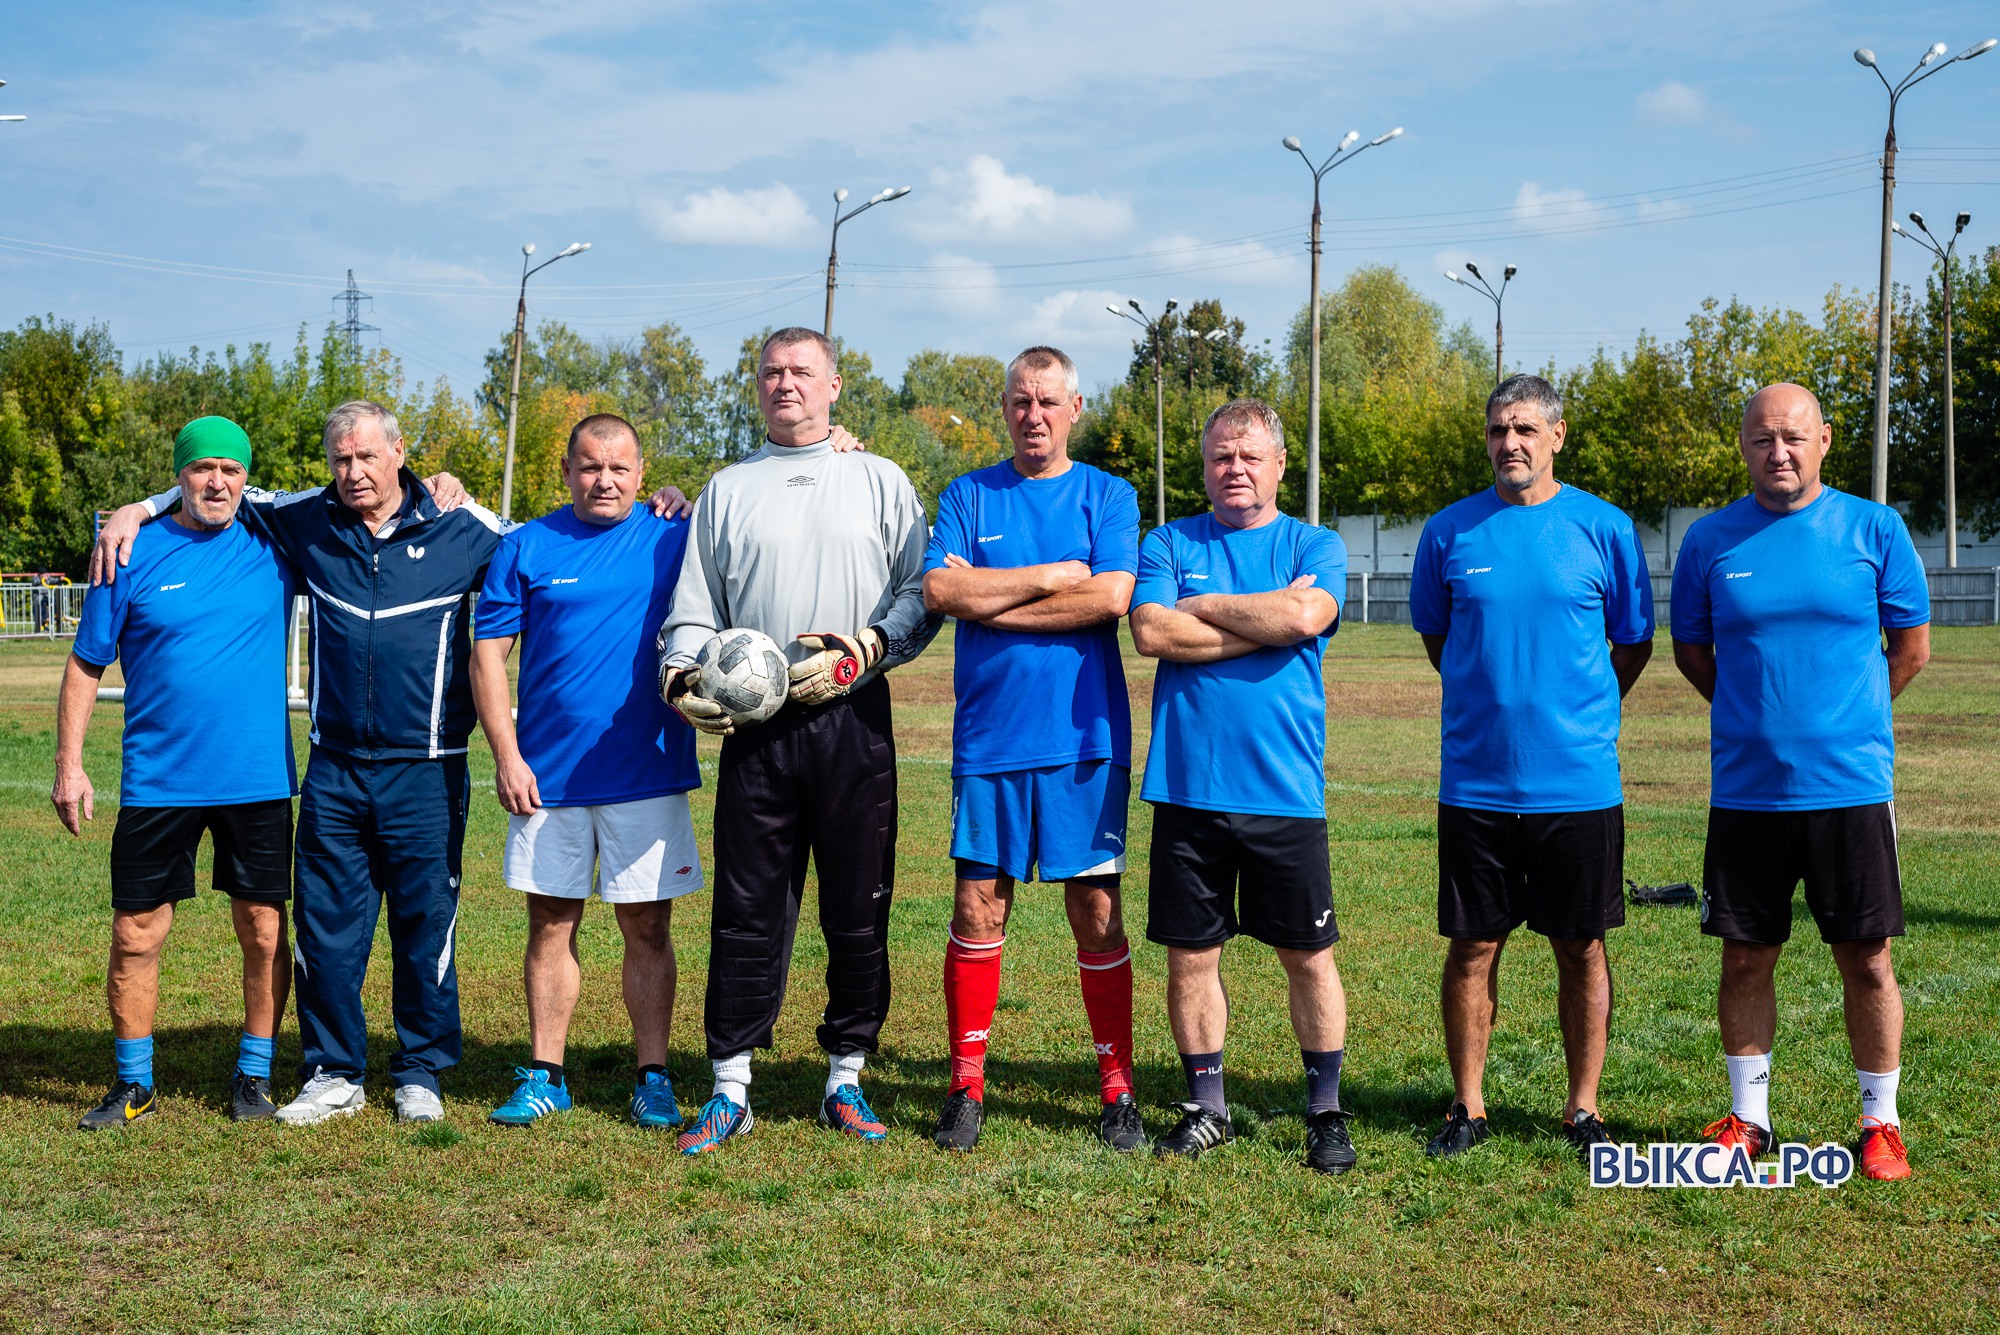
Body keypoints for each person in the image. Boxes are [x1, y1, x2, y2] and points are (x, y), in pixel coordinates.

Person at [93, 402, 692, 1125]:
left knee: (424, 924)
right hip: (336, 768)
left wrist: (670, 502)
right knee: (326, 928)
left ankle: (421, 1071)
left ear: (398, 453)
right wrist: (139, 506)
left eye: (368, 456)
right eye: (341, 459)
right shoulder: (305, 519)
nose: (354, 472)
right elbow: (220, 484)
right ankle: (332, 1070)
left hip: (429, 767)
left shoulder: (464, 525)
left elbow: (553, 536)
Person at [659, 327, 937, 1154]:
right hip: (756, 727)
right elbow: (694, 604)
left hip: (853, 718)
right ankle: (731, 1085)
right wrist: (681, 672)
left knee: (859, 906)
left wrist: (871, 646)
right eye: (772, 372)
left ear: (835, 385)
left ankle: (845, 1076)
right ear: (758, 387)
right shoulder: (727, 489)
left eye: (802, 372)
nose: (787, 384)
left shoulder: (880, 480)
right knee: (747, 909)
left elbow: (922, 590)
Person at [1670, 382, 1930, 1181]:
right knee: (1746, 958)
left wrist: (1840, 720)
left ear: (1824, 441)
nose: (1777, 452)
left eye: (1792, 437)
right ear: (1743, 446)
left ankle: (1879, 1123)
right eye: (1761, 439)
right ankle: (1749, 1121)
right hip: (1747, 792)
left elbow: (1911, 648)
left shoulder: (1874, 528)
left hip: (1849, 788)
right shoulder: (1710, 540)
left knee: (1868, 957)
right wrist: (1761, 717)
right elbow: (1693, 653)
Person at [1407, 374, 1655, 1161]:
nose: (1508, 443)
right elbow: (1440, 640)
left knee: (1580, 944)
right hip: (1476, 783)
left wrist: (1574, 716)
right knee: (1473, 944)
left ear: (1556, 435)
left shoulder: (1604, 528)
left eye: (1522, 429)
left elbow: (1633, 642)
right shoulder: (1449, 532)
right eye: (1495, 430)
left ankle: (1583, 1108)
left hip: (1577, 784)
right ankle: (1468, 1105)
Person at [919, 346, 1143, 1153]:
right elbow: (940, 591)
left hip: (1086, 739)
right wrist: (1051, 575)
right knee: (978, 905)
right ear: (1005, 407)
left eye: (1049, 400)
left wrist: (991, 598)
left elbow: (1113, 596)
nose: (1034, 414)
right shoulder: (967, 493)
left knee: (1096, 910)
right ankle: (965, 1085)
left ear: (1076, 407)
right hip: (989, 741)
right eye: (1021, 401)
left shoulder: (1109, 494)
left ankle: (1117, 1087)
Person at [1129, 399, 1356, 1174]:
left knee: (1308, 955)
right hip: (1188, 790)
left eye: (1250, 456)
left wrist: (1206, 609)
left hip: (1284, 791)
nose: (1235, 469)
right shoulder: (1167, 540)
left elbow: (1306, 612)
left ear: (1280, 463)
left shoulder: (1314, 542)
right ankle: (1206, 1108)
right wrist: (1263, 619)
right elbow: (1152, 632)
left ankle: (1324, 1109)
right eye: (1222, 456)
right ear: (1204, 465)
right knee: (1192, 958)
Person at [55, 417, 296, 1128]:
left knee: (263, 930)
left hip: (258, 780)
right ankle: (134, 1084)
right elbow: (83, 665)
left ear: (246, 477)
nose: (216, 481)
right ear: (179, 476)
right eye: (201, 469)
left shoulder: (277, 542)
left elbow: (356, 492)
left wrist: (438, 484)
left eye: (230, 468)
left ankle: (253, 1075)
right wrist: (69, 766)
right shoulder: (127, 551)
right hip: (158, 781)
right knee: (136, 933)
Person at [471, 414, 700, 1130]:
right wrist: (507, 755)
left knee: (648, 927)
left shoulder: (675, 539)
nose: (605, 480)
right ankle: (546, 1073)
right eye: (590, 466)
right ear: (566, 471)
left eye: (620, 468)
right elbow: (488, 659)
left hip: (647, 771)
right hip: (548, 776)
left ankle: (653, 1075)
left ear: (641, 472)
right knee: (550, 922)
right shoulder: (525, 546)